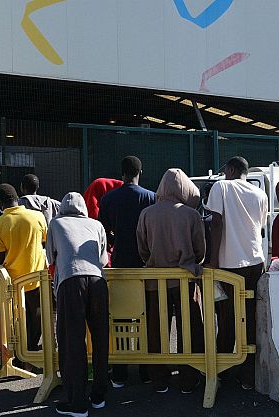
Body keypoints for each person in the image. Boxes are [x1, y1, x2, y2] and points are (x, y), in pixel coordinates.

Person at [137, 168, 206, 394]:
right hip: (185, 279)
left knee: (157, 329)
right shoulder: (191, 215)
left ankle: (159, 379)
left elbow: (143, 249)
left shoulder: (146, 214)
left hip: (154, 280)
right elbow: (200, 251)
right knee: (191, 328)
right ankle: (189, 377)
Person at [205, 156, 268, 390]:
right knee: (250, 317)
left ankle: (221, 371)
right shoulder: (260, 194)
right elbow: (259, 228)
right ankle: (248, 374)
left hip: (228, 263)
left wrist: (212, 261)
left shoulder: (221, 186)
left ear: (230, 170)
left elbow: (217, 223)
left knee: (226, 316)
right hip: (255, 262)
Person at [46, 192, 110, 417]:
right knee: (101, 337)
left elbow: (50, 258)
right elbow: (103, 260)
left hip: (70, 281)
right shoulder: (96, 224)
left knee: (72, 340)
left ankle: (77, 402)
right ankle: (99, 395)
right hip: (98, 281)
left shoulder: (56, 223)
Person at [98, 156, 155, 387]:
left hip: (120, 263)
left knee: (121, 317)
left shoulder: (108, 198)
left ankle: (120, 372)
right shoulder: (150, 197)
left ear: (121, 173)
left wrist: (114, 240)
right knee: (146, 315)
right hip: (145, 265)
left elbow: (103, 232)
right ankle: (145, 371)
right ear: (140, 171)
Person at [0, 184, 47, 351]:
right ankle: (32, 348)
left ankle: (19, 350)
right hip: (36, 275)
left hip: (11, 280)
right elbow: (44, 241)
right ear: (17, 199)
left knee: (15, 317)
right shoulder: (37, 216)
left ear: (0, 204)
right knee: (35, 312)